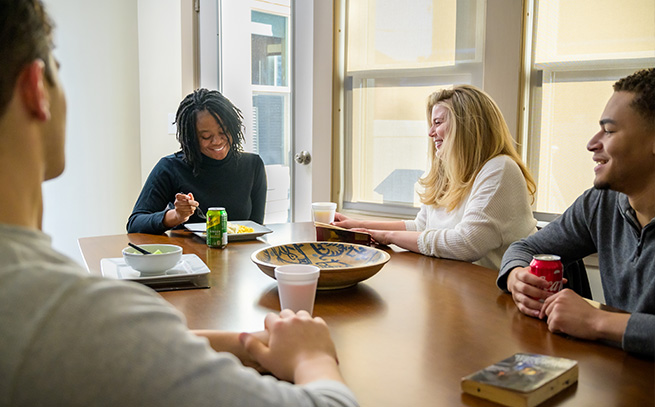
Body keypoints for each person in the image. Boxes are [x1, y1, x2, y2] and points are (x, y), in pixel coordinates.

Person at [0, 1, 358, 406]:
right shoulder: (82, 315)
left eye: (221, 133)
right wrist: (312, 355)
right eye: (58, 72)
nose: (216, 142)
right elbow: (334, 401)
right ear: (36, 89)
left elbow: (134, 346)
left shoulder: (65, 321)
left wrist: (246, 342)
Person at [497, 68, 655, 358]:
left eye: (609, 131)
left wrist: (597, 321)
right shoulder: (600, 203)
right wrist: (516, 277)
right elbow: (525, 247)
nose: (592, 144)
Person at [333, 85, 537, 270]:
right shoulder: (449, 172)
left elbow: (466, 243)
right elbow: (422, 227)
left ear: (466, 126)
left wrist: (387, 237)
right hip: (456, 286)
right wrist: (357, 225)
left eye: (438, 122)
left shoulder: (500, 169)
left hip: (495, 294)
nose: (430, 133)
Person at [126, 88, 267, 234]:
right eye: (206, 136)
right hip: (188, 255)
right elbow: (135, 223)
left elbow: (256, 227)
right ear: (191, 138)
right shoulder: (170, 167)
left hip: (239, 255)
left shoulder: (252, 166)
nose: (217, 141)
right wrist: (176, 216)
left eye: (223, 131)